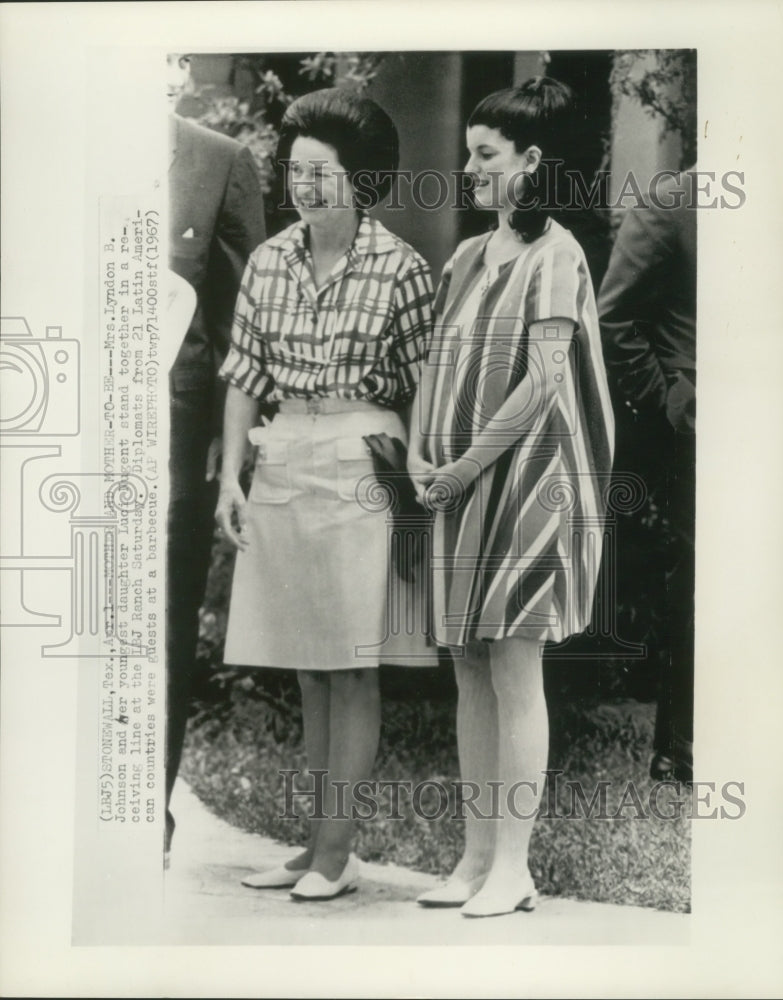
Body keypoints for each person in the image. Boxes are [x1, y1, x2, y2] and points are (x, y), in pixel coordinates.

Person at [215, 88, 434, 900]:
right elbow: (243, 373)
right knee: (305, 666)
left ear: (359, 178)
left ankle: (337, 854)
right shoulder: (270, 259)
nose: (304, 185)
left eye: (322, 171)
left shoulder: (401, 268)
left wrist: (417, 488)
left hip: (360, 458)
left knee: (350, 665)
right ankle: (308, 847)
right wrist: (231, 475)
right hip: (282, 457)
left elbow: (421, 389)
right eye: (295, 169)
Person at [409, 77, 615, 917]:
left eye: (484, 155)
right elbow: (435, 369)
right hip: (457, 483)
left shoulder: (555, 255)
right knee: (467, 665)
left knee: (512, 662)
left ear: (531, 162)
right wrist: (425, 453)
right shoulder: (466, 256)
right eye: (467, 152)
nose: (467, 168)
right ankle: (473, 856)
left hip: (527, 486)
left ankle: (514, 865)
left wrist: (460, 469)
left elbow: (540, 385)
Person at [166, 53, 266, 857]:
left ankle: (144, 806)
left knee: (164, 617)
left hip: (172, 446)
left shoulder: (216, 159)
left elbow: (243, 330)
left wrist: (225, 454)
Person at [598, 167, 696, 784]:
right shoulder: (674, 200)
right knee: (704, 579)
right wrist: (670, 402)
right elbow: (615, 318)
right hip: (703, 431)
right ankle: (681, 750)